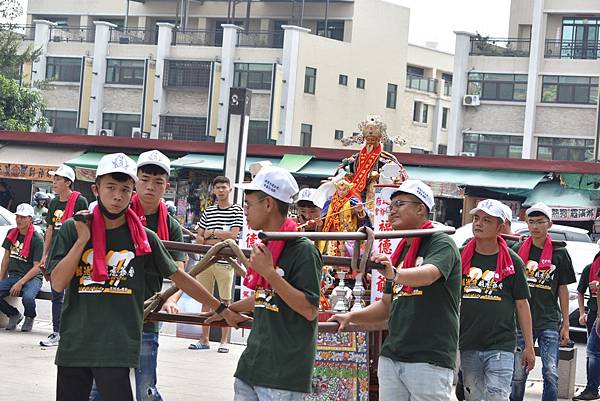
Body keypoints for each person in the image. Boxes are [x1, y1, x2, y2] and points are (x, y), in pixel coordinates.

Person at [47, 153, 247, 401]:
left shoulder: (143, 237)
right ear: (95, 189)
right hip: (76, 343)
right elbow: (57, 282)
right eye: (110, 187)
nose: (118, 196)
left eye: (125, 189)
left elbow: (180, 277)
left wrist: (221, 307)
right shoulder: (72, 228)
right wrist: (82, 241)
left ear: (133, 193)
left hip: (118, 345)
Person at [329, 180, 462, 401]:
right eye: (391, 205)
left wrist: (395, 274)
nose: (392, 210)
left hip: (429, 357)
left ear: (421, 209)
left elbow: (429, 274)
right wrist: (351, 315)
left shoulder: (441, 242)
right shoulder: (401, 251)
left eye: (399, 204)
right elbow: (385, 307)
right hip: (392, 355)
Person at [214, 166, 322, 400]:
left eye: (249, 204)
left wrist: (271, 273)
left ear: (269, 204)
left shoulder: (302, 250)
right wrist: (229, 309)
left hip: (283, 373)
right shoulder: (267, 244)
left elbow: (310, 309)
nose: (245, 211)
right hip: (252, 365)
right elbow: (267, 295)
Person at [88, 150, 187, 401]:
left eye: (158, 182)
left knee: (145, 387)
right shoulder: (112, 213)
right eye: (144, 180)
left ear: (167, 185)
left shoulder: (171, 225)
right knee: (99, 387)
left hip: (146, 311)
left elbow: (180, 269)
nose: (150, 187)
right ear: (135, 182)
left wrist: (171, 299)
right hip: (110, 310)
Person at [460, 199, 535, 401]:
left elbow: (522, 303)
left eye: (486, 220)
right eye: (476, 218)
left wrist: (529, 346)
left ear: (500, 227)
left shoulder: (513, 261)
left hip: (501, 344)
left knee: (497, 396)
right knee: (473, 397)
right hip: (468, 342)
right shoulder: (460, 257)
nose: (478, 224)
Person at [510, 202, 576, 401]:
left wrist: (566, 323)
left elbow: (563, 289)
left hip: (548, 320)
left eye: (540, 222)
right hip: (519, 322)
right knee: (518, 374)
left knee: (550, 372)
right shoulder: (517, 248)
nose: (535, 227)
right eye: (531, 222)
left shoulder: (560, 253)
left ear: (550, 224)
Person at [186, 176, 244, 353]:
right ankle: (204, 339)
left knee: (227, 301)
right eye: (218, 187)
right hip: (206, 262)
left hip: (226, 262)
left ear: (230, 189)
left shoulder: (236, 210)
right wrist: (217, 237)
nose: (221, 190)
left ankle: (224, 341)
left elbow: (233, 236)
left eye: (224, 187)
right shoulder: (208, 211)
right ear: (214, 189)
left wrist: (211, 233)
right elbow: (200, 238)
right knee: (205, 300)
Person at [40, 164, 88, 347]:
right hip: (55, 253)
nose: (54, 182)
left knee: (73, 294)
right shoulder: (53, 203)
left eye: (58, 179)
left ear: (68, 182)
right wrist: (45, 254)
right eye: (54, 179)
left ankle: (73, 331)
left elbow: (84, 229)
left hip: (73, 254)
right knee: (56, 294)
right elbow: (50, 229)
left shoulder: (80, 201)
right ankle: (56, 332)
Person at [0, 203, 44, 332]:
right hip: (14, 276)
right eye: (17, 216)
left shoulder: (37, 238)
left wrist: (20, 282)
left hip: (32, 277)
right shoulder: (11, 233)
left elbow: (37, 267)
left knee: (28, 298)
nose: (19, 219)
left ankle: (29, 317)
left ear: (30, 219)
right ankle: (13, 314)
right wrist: (2, 279)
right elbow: (6, 258)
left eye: (23, 217)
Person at [572, 250, 600, 400]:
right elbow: (580, 291)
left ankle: (592, 389)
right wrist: (582, 313)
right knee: (592, 353)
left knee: (593, 352)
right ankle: (592, 387)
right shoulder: (589, 268)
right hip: (594, 313)